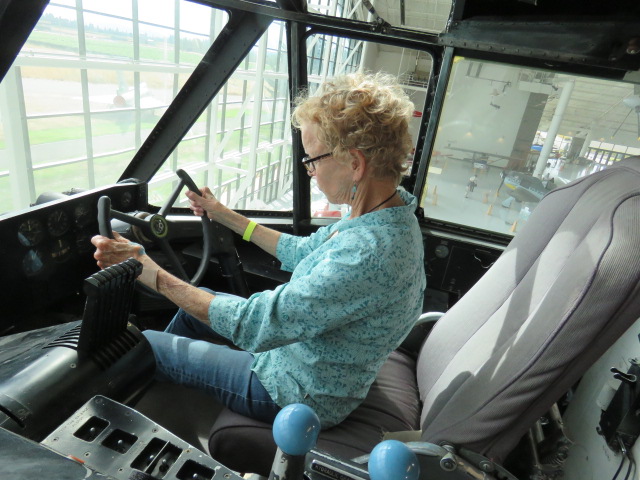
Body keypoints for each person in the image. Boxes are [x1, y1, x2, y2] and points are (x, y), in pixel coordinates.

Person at [91, 72, 426, 429]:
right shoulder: (384, 213)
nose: (310, 171)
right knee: (191, 312)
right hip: (303, 357)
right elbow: (302, 250)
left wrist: (148, 270)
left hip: (295, 390)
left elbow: (256, 326)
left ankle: (121, 408)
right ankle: (162, 386)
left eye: (312, 159)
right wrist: (224, 215)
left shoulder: (368, 253)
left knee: (142, 344)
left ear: (355, 163)